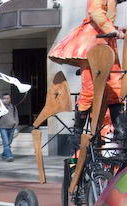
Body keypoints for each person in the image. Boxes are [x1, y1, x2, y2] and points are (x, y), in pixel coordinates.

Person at [49, 0, 126, 143]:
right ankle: (78, 136)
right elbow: (95, 11)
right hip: (93, 44)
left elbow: (103, 16)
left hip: (106, 43)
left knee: (116, 89)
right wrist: (111, 29)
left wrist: (114, 28)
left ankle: (121, 135)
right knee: (90, 91)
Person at [0, 93, 19, 162]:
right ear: (2, 99)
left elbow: (16, 116)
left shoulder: (13, 107)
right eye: (4, 98)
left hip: (12, 127)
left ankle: (4, 154)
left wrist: (15, 124)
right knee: (6, 142)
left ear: (10, 99)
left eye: (7, 98)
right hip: (3, 127)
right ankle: (9, 156)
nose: (5, 100)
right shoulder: (0, 107)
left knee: (9, 142)